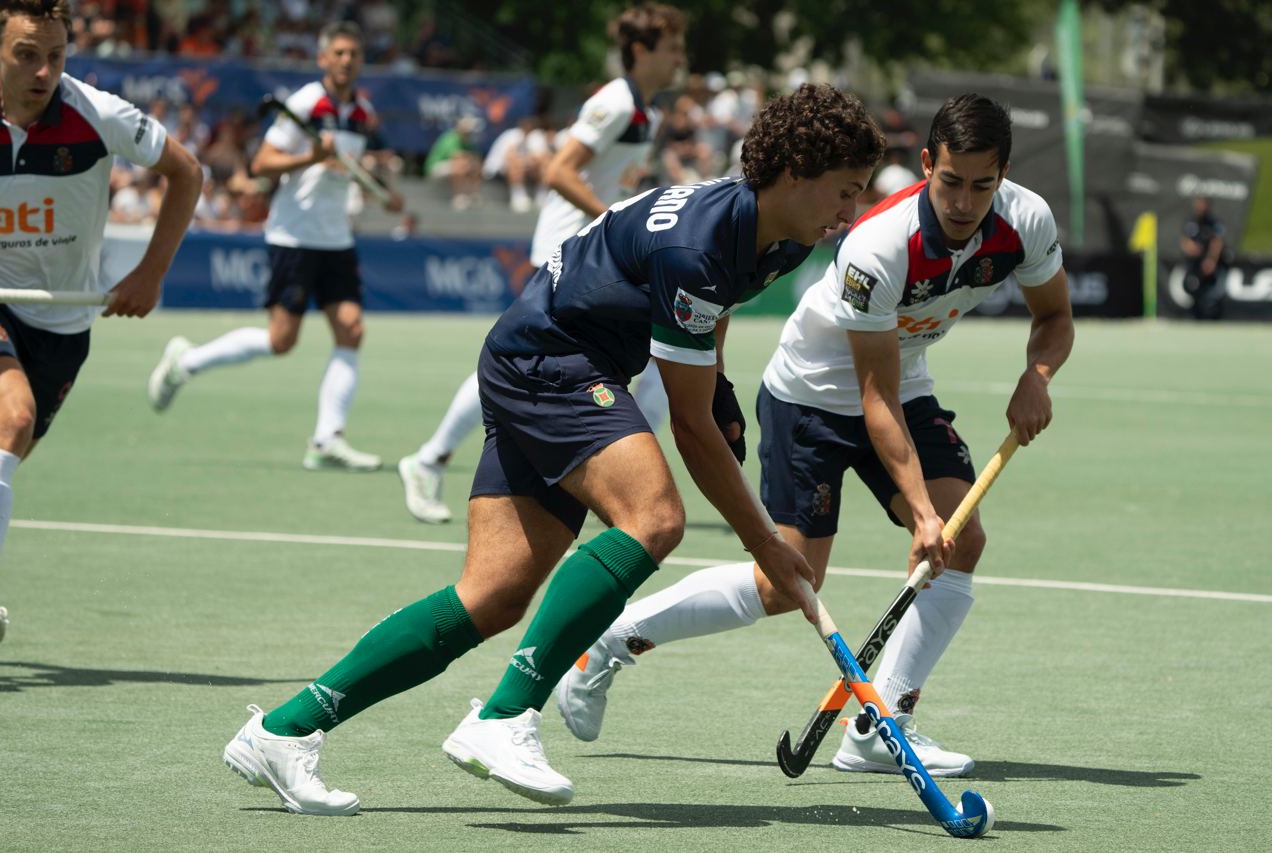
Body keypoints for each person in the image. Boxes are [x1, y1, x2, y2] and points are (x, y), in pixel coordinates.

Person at [221, 83, 887, 816]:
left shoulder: (781, 235)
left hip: (544, 358)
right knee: (654, 516)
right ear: (794, 171)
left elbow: (713, 322)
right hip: (551, 361)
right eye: (844, 191)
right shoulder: (699, 242)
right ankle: (504, 716)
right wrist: (765, 542)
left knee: (493, 594)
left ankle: (283, 731)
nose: (849, 214)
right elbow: (691, 429)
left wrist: (720, 385)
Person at [555, 93, 1075, 779]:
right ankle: (609, 643)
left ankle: (878, 725)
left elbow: (1055, 315)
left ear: (1003, 175)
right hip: (811, 396)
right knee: (787, 582)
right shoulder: (878, 245)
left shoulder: (1025, 222)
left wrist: (1038, 373)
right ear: (926, 165)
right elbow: (871, 397)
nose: (963, 202)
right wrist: (920, 511)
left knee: (962, 538)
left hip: (903, 381)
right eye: (950, 182)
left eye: (982, 185)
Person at [397, 4, 687, 525]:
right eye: (673, 48)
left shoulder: (649, 109)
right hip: (568, 252)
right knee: (523, 363)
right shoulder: (616, 101)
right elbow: (559, 171)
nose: (681, 58)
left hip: (599, 259)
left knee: (649, 355)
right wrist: (617, 223)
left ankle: (617, 469)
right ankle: (428, 459)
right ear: (641, 51)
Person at [0, 0, 202, 648]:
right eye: (27, 54)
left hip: (62, 318)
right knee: (13, 416)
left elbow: (186, 171)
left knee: (6, 447)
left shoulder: (97, 114)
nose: (44, 71)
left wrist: (148, 274)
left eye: (55, 56)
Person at [146, 21, 403, 472]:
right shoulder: (306, 103)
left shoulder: (362, 112)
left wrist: (386, 190)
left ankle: (327, 440)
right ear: (323, 59)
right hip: (294, 236)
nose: (346, 60)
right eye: (338, 53)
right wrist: (310, 157)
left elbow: (360, 165)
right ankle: (186, 361)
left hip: (336, 238)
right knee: (281, 340)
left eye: (354, 54)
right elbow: (263, 163)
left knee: (351, 330)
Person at [1180, 195, 1226, 321]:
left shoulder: (1214, 222)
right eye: (1197, 204)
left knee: (1211, 291)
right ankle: (1194, 315)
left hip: (1208, 263)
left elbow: (1217, 242)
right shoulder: (1191, 221)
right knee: (1191, 287)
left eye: (1202, 204)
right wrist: (1190, 247)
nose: (1199, 207)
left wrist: (1211, 259)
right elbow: (1184, 239)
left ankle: (1212, 316)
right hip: (1193, 263)